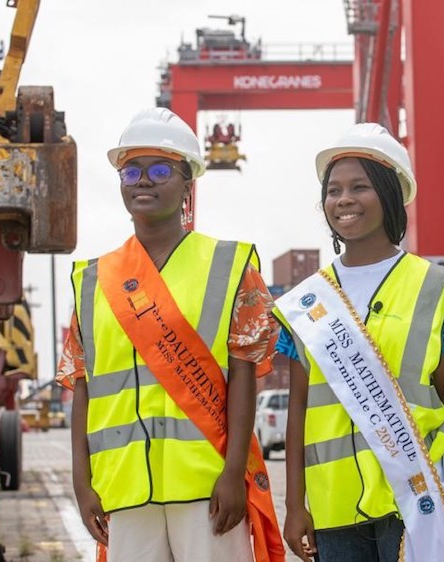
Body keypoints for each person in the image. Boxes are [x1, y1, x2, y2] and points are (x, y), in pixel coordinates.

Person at [55, 107, 285, 562]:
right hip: (122, 486)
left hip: (207, 484)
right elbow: (83, 386)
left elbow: (244, 378)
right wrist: (82, 484)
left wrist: (233, 472)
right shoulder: (92, 280)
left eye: (160, 169)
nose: (143, 180)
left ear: (187, 184)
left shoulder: (231, 267)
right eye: (131, 170)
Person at [273, 123, 444, 562]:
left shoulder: (435, 288)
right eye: (333, 189)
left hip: (417, 497)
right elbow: (298, 412)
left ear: (389, 194)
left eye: (359, 187)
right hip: (333, 504)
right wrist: (294, 505)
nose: (343, 199)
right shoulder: (306, 301)